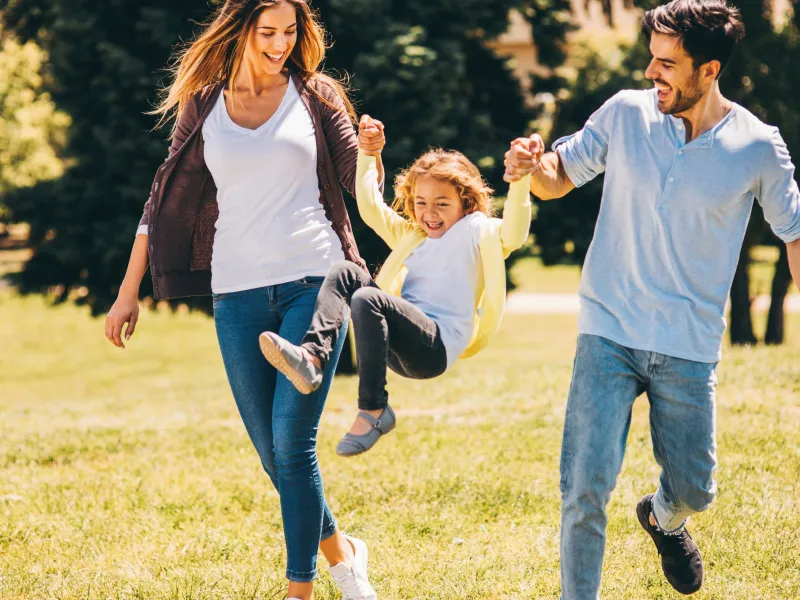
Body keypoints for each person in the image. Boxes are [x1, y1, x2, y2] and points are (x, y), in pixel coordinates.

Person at [503, 0, 800, 597]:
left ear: (708, 70)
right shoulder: (625, 114)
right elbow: (560, 176)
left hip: (687, 343)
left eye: (668, 63)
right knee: (584, 488)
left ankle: (663, 519)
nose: (652, 73)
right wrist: (532, 167)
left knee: (696, 487)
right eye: (651, 59)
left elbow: (793, 233)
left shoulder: (757, 146)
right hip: (608, 328)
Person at [104, 1, 386, 599]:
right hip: (236, 295)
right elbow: (161, 201)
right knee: (273, 455)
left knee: (294, 443)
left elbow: (356, 181)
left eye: (290, 32)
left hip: (314, 281)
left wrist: (374, 154)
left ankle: (301, 588)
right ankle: (344, 552)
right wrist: (129, 292)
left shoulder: (315, 96)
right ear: (240, 30)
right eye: (268, 32)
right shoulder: (204, 103)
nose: (281, 44)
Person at [259, 116, 533, 457]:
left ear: (467, 202)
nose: (429, 213)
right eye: (420, 203)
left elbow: (516, 232)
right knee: (346, 271)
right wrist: (367, 153)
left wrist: (521, 181)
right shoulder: (413, 236)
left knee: (369, 299)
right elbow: (370, 205)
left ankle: (373, 409)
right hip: (395, 343)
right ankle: (313, 357)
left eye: (442, 204)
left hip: (434, 348)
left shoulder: (478, 231)